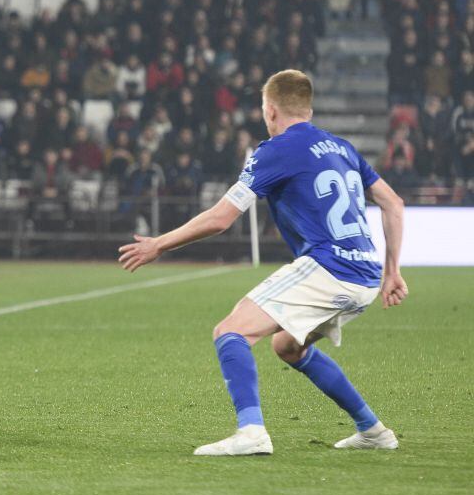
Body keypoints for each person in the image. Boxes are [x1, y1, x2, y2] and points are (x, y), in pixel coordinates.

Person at [118, 70, 407, 456]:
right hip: (366, 276)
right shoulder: (341, 147)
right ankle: (373, 430)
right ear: (308, 107)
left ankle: (251, 432)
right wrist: (393, 272)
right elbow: (393, 203)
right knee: (288, 346)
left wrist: (159, 244)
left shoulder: (276, 150)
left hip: (329, 267)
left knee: (231, 331)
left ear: (270, 110)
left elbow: (221, 218)